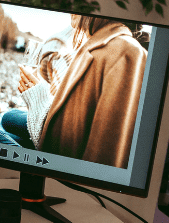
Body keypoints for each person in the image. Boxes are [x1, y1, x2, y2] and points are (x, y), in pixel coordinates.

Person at [37, 15, 147, 168]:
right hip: (54, 168)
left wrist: (37, 101)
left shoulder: (125, 53)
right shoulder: (94, 45)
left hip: (62, 179)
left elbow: (103, 164)